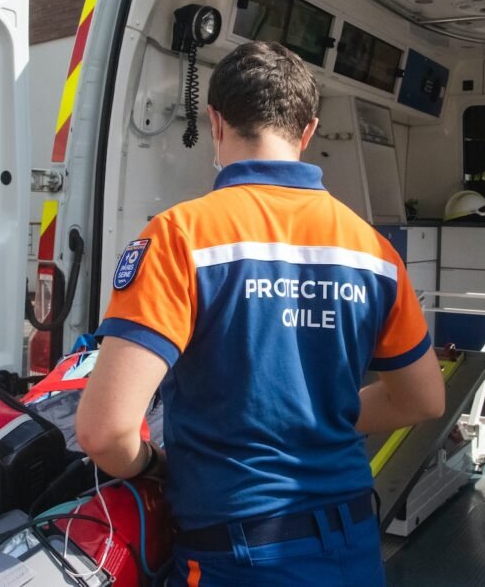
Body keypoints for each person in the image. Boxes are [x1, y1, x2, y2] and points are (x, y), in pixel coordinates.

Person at [76, 41, 445, 586]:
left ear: (215, 121)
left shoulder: (182, 236)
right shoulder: (372, 251)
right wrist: (318, 417)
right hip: (353, 548)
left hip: (237, 554)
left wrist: (155, 464)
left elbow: (104, 434)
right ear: (309, 130)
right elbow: (423, 399)